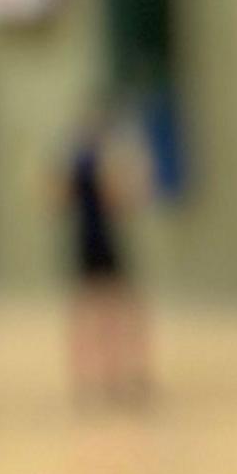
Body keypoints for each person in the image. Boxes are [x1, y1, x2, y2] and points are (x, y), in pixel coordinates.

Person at [63, 102, 154, 406]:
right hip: (100, 241)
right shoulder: (96, 162)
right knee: (114, 310)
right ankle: (115, 375)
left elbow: (58, 198)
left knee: (96, 310)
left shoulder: (79, 161)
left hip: (88, 240)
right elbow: (118, 197)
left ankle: (99, 377)